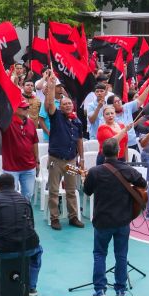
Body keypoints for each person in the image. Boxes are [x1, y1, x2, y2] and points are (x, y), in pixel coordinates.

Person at [81, 139, 147, 296]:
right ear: (118, 152)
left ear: (102, 152)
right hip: (122, 220)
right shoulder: (127, 169)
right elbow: (143, 184)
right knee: (121, 255)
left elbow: (87, 191)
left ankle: (99, 290)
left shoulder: (96, 172)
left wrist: (85, 179)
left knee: (99, 254)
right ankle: (120, 290)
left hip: (102, 220)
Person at [42, 83, 86, 230]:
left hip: (71, 160)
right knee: (54, 190)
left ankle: (73, 217)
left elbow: (79, 141)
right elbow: (49, 104)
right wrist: (51, 87)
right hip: (56, 160)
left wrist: (82, 159)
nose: (67, 105)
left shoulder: (77, 121)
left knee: (72, 190)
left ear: (73, 106)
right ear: (60, 106)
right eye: (64, 104)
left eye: (69, 103)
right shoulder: (56, 116)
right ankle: (55, 218)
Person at [0, 94, 41, 199]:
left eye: (27, 107)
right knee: (10, 197)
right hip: (11, 168)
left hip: (29, 167)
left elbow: (34, 142)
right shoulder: (7, 122)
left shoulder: (31, 122)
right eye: (23, 107)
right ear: (15, 108)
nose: (27, 109)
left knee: (28, 195)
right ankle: (12, 215)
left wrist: (37, 161)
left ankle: (25, 215)